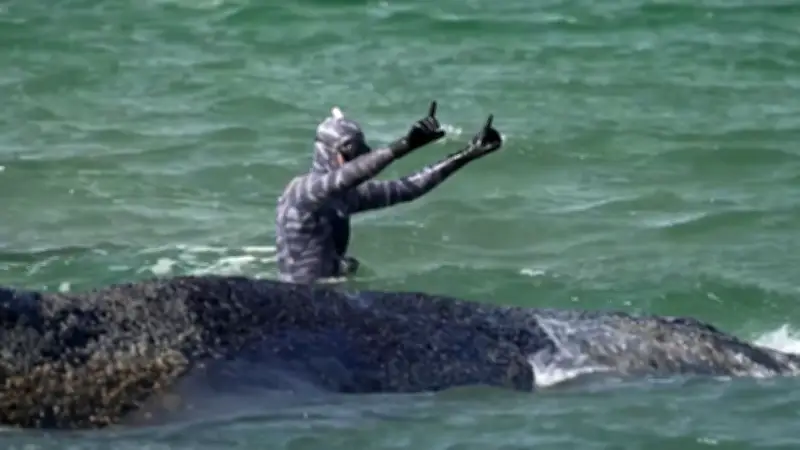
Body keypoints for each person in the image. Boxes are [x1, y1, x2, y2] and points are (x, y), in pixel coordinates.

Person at [275, 101, 503, 284]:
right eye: (351, 155)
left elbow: (409, 188)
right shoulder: (303, 192)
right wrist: (406, 145)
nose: (356, 160)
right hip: (301, 298)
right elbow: (354, 173)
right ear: (331, 153)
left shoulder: (345, 196)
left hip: (330, 294)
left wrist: (467, 154)